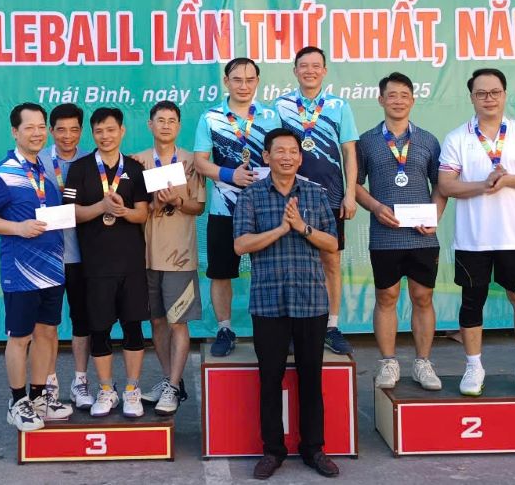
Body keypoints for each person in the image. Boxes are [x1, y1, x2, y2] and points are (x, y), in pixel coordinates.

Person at [233, 128, 340, 480]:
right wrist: (281, 229)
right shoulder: (251, 196)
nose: (286, 157)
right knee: (270, 378)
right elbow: (241, 245)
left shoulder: (315, 194)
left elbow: (330, 243)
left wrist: (302, 227)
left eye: (292, 151)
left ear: (300, 156)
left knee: (311, 378)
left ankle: (314, 449)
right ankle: (272, 451)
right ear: (266, 157)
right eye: (279, 151)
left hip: (310, 301)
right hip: (268, 302)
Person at [438, 68, 515, 397]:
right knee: (472, 302)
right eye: (481, 93)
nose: (489, 98)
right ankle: (473, 367)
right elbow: (446, 185)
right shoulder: (457, 137)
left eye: (495, 92)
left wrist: (508, 179)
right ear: (471, 97)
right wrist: (482, 185)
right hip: (473, 239)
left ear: (504, 94)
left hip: (514, 236)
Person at [0, 103, 74, 432]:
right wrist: (17, 228)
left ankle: (40, 396)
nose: (38, 133)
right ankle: (17, 402)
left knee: (48, 332)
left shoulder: (43, 170)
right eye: (29, 127)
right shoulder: (2, 173)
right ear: (15, 131)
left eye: (42, 126)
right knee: (20, 337)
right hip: (21, 272)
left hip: (53, 269)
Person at [354, 72, 446, 391]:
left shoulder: (429, 141)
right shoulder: (366, 141)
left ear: (412, 99)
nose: (398, 101)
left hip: (423, 235)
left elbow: (441, 186)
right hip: (385, 234)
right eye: (391, 95)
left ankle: (423, 363)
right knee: (387, 296)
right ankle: (388, 363)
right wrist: (376, 207)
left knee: (423, 297)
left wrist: (435, 216)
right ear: (380, 100)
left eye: (404, 95)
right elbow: (354, 185)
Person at [65, 107, 151, 417]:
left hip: (130, 263)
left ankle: (131, 390)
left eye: (111, 130)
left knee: (132, 327)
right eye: (99, 131)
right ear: (93, 134)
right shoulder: (79, 169)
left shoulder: (136, 169)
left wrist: (124, 212)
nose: (106, 136)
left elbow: (144, 213)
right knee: (99, 329)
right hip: (95, 265)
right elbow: (71, 213)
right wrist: (101, 206)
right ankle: (105, 390)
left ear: (122, 131)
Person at [276, 46, 359, 355]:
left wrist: (350, 194)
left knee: (330, 260)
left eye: (316, 66)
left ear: (324, 71)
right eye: (303, 66)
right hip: (291, 194)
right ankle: (291, 327)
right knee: (290, 261)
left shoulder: (339, 105)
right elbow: (275, 150)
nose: (309, 70)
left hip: (331, 196)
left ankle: (331, 326)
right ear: (295, 70)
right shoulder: (282, 106)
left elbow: (350, 151)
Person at [194, 57, 279, 357]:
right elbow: (200, 162)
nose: (244, 86)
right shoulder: (211, 117)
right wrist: (230, 175)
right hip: (223, 210)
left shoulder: (272, 116)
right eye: (237, 79)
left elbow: (282, 156)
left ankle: (271, 329)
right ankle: (224, 329)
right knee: (221, 273)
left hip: (265, 209)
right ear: (226, 81)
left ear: (257, 82)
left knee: (268, 270)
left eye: (250, 79)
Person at [134, 101, 206, 416]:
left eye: (171, 120)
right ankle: (169, 381)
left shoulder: (192, 162)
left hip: (180, 256)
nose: (165, 125)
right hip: (145, 256)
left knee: (178, 322)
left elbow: (199, 206)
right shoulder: (136, 161)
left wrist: (177, 200)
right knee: (157, 321)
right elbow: (134, 209)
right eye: (160, 120)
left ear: (178, 126)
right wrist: (150, 202)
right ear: (150, 125)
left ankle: (174, 385)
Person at [38, 103, 93, 411]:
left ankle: (80, 380)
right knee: (46, 324)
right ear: (51, 131)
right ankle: (48, 382)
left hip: (82, 255)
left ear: (81, 131)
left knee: (81, 321)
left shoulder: (91, 161)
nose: (67, 136)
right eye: (60, 129)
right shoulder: (38, 161)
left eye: (74, 129)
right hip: (46, 256)